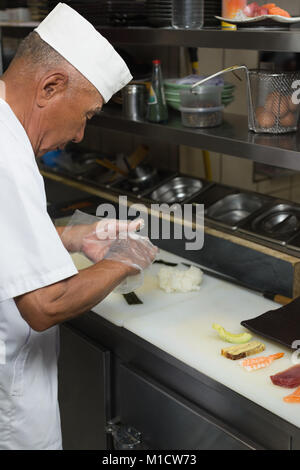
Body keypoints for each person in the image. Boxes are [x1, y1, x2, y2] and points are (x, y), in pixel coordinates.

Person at [0, 3, 157, 450]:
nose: (80, 136)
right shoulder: (7, 155)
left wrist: (69, 236)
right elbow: (44, 305)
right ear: (50, 87)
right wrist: (124, 261)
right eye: (87, 115)